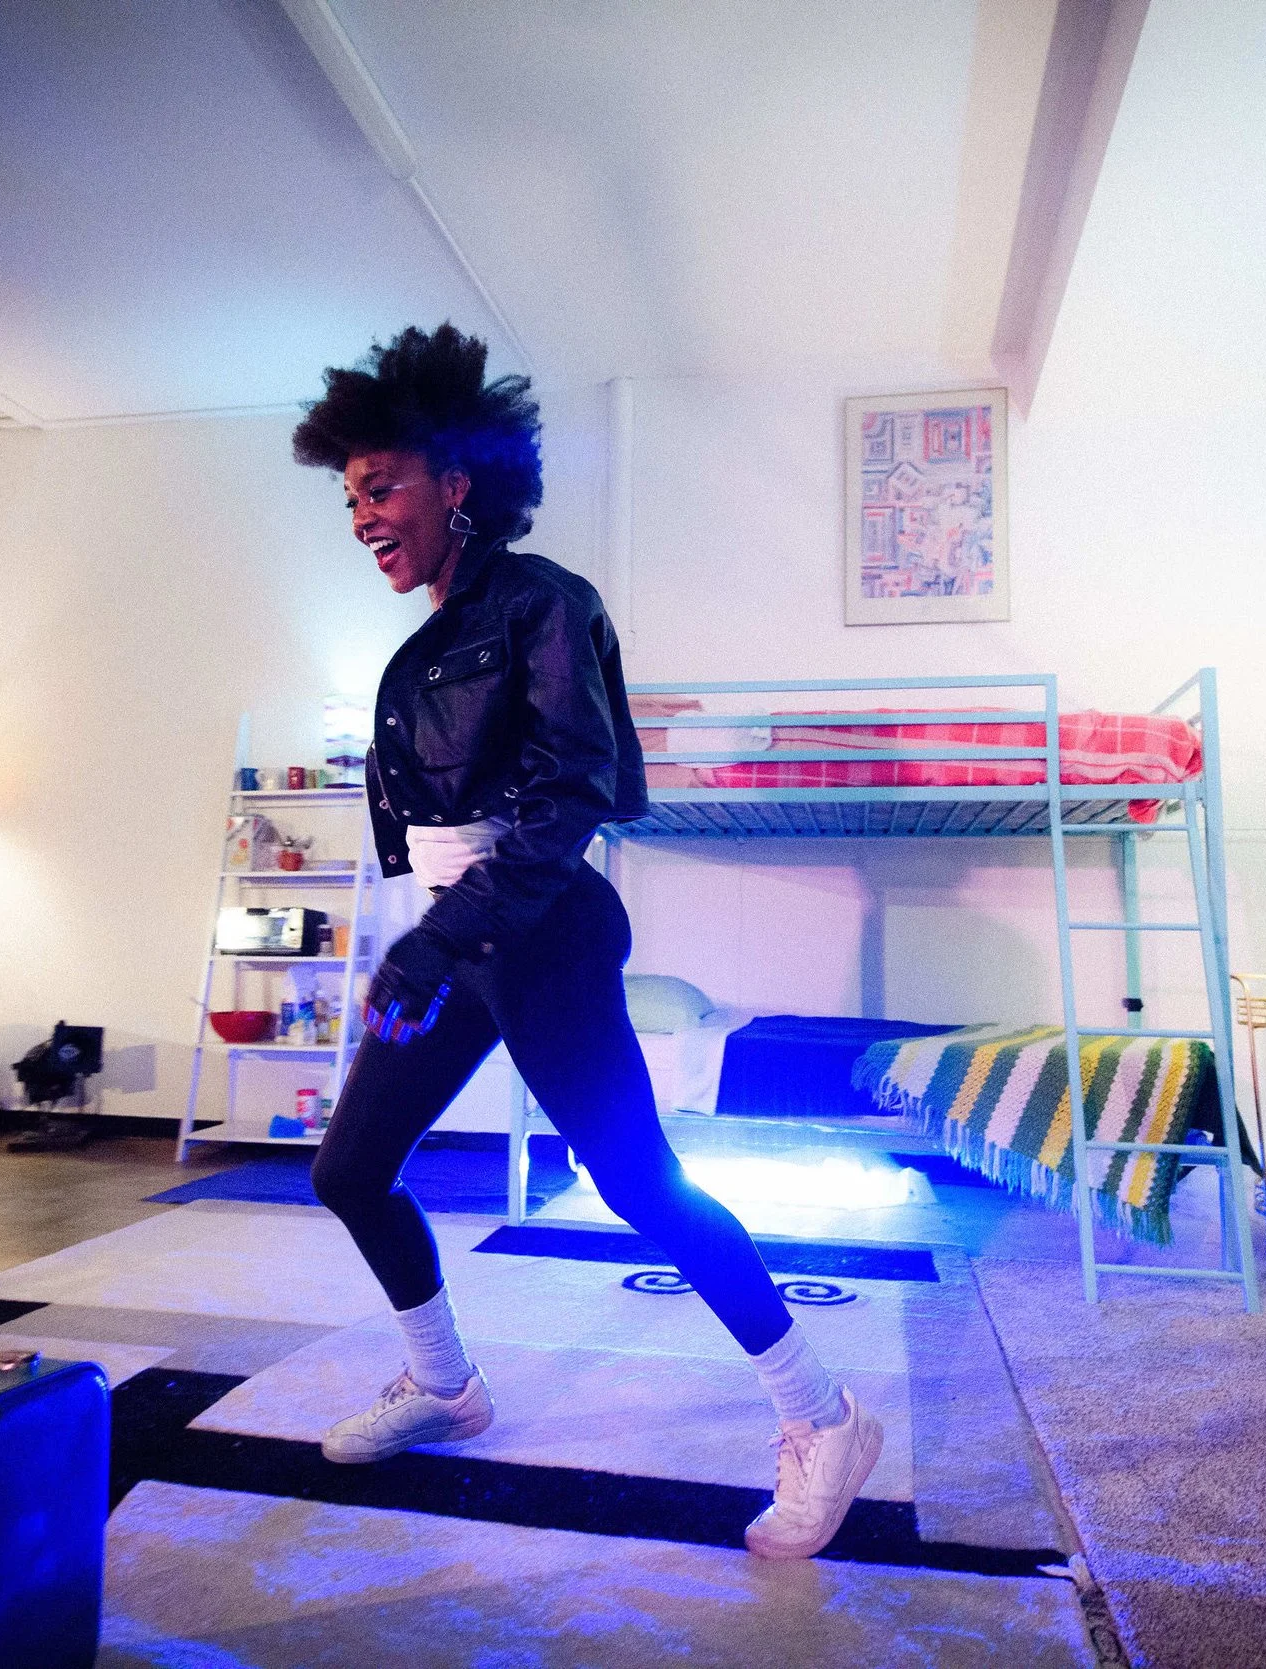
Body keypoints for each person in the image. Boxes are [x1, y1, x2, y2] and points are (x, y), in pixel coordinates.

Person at [292, 324, 882, 1561]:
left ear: (459, 482)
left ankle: (824, 1416)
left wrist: (441, 936)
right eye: (349, 497)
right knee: (349, 1169)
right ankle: (446, 1384)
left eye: (380, 487)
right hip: (458, 938)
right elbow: (435, 827)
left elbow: (571, 795)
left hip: (539, 928)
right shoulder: (422, 643)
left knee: (633, 1177)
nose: (361, 516)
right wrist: (428, 939)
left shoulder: (544, 603)